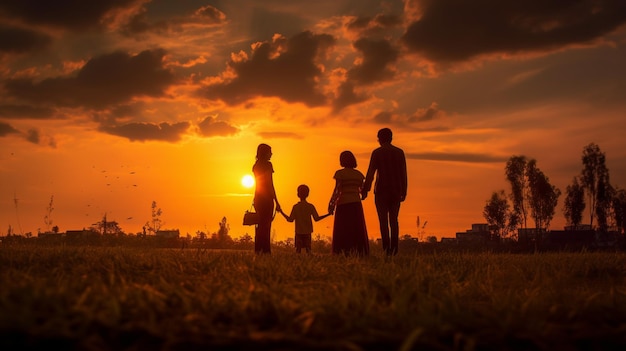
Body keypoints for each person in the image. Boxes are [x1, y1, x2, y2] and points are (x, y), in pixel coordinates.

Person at [362, 128, 407, 256]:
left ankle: (386, 249)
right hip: (396, 190)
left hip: (381, 190)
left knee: (383, 221)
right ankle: (394, 249)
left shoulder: (377, 152)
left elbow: (370, 173)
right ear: (391, 138)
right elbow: (403, 173)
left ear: (379, 139)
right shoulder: (399, 152)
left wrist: (365, 190)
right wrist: (404, 190)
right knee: (394, 220)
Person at [328, 151, 369, 256]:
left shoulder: (340, 174)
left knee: (343, 229)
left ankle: (341, 250)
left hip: (343, 204)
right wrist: (362, 194)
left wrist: (331, 204)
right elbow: (363, 191)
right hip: (356, 204)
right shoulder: (359, 175)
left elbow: (337, 190)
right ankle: (358, 251)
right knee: (356, 228)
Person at [279, 184, 330, 254]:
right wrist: (328, 214)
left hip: (298, 232)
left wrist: (281, 212)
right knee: (308, 250)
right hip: (308, 232)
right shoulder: (310, 206)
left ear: (298, 194)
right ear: (308, 194)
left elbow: (290, 220)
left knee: (298, 251)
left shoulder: (296, 207)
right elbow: (317, 218)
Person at [252, 143, 281, 254]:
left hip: (258, 197)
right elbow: (270, 184)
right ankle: (266, 250)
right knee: (266, 225)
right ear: (265, 153)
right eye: (270, 152)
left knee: (259, 225)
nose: (271, 154)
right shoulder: (268, 165)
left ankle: (258, 249)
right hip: (267, 198)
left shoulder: (255, 166)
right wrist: (276, 201)